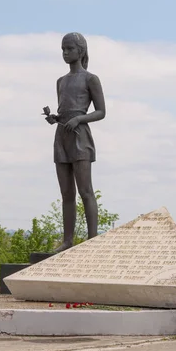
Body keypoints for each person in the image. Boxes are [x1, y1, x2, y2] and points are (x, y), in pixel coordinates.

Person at [45, 32, 106, 252]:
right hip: (62, 137)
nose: (65, 53)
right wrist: (56, 118)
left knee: (85, 190)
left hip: (81, 137)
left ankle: (92, 240)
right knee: (66, 193)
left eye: (69, 49)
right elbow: (64, 109)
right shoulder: (60, 81)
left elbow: (101, 112)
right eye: (63, 49)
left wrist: (79, 118)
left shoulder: (91, 79)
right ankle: (67, 241)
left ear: (80, 51)